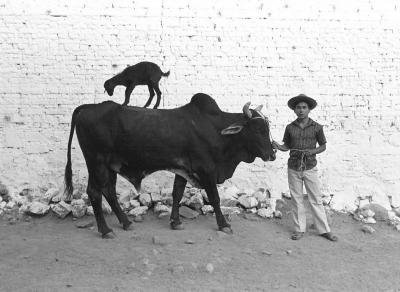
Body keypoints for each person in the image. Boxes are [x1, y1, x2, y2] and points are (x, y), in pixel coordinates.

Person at [272, 94, 338, 241]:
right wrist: (277, 146)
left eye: (304, 107)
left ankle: (324, 230)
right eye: (298, 108)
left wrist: (312, 151)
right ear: (294, 110)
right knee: (296, 199)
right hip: (293, 167)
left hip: (310, 167)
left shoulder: (317, 127)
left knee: (315, 199)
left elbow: (323, 146)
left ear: (309, 110)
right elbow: (287, 146)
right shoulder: (289, 128)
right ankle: (299, 229)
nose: (301, 110)